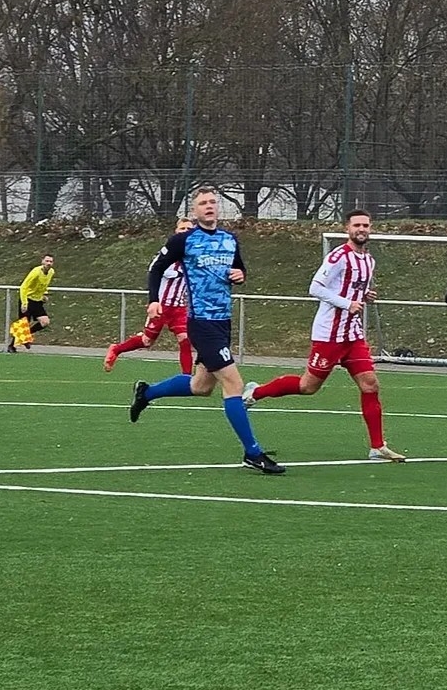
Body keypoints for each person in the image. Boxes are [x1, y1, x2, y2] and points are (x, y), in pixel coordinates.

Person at [126, 186, 284, 474]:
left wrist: (240, 275)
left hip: (223, 321)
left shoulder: (229, 240)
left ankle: (146, 393)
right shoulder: (183, 240)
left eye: (212, 202)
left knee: (201, 386)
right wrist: (153, 300)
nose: (209, 206)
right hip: (201, 322)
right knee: (234, 384)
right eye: (203, 203)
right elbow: (156, 268)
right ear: (194, 211)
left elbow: (239, 271)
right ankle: (252, 453)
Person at [241, 210, 405, 461]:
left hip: (353, 335)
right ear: (347, 228)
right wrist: (347, 303)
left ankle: (377, 446)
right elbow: (315, 288)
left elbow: (351, 291)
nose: (361, 229)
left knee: (370, 385)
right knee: (307, 387)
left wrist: (364, 296)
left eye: (365, 225)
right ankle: (255, 392)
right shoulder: (338, 256)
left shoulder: (369, 261)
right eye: (357, 225)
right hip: (329, 334)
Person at [104, 218, 195, 375]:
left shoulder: (193, 256)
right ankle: (117, 349)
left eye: (189, 229)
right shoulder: (168, 253)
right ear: (176, 231)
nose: (185, 232)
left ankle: (186, 378)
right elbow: (155, 269)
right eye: (182, 229)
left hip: (179, 308)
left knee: (185, 339)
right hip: (161, 306)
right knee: (147, 341)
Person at [7, 254, 55, 352]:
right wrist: (24, 303)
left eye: (50, 261)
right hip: (28, 299)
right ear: (42, 262)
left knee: (45, 322)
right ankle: (12, 346)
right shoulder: (36, 272)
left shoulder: (51, 272)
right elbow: (24, 287)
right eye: (47, 261)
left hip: (37, 301)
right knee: (23, 325)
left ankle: (26, 336)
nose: (49, 263)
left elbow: (44, 285)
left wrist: (44, 294)